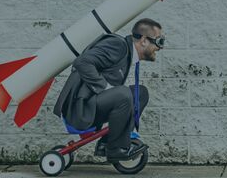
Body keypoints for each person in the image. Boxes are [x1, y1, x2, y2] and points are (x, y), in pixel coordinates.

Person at [53, 18, 164, 161]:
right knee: (123, 94)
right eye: (159, 41)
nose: (160, 47)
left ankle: (106, 143)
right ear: (144, 40)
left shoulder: (127, 53)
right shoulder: (118, 45)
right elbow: (82, 62)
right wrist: (105, 87)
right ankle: (117, 148)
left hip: (93, 105)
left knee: (140, 93)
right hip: (80, 110)